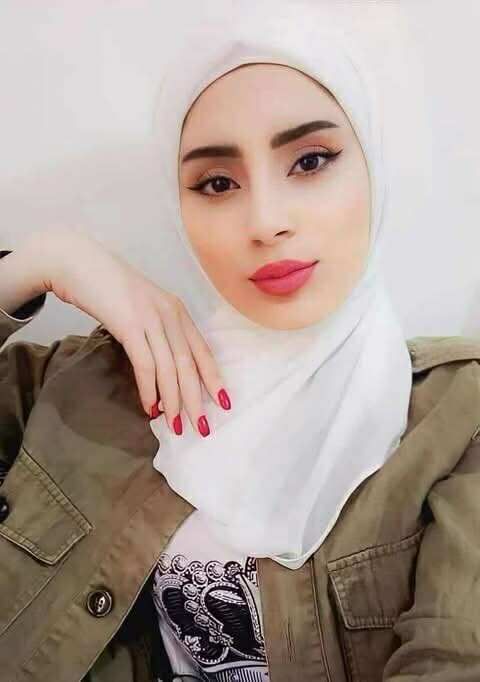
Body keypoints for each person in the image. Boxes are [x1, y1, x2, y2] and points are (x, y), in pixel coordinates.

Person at [1, 21, 480, 682]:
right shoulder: (83, 385)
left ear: (373, 167)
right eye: (218, 184)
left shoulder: (458, 418)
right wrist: (46, 261)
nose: (266, 222)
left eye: (310, 161)